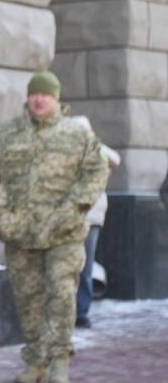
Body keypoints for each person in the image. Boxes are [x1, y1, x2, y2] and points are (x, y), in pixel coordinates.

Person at [0, 71, 108, 383]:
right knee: (27, 298)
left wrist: (75, 207)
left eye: (45, 94)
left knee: (61, 293)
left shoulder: (77, 135)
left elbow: (96, 170)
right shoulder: (6, 134)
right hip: (20, 233)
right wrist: (0, 210)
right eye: (34, 94)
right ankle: (35, 359)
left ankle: (59, 358)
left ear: (56, 98)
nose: (39, 99)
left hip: (64, 231)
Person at [68, 115, 120, 329]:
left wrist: (93, 143)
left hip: (92, 219)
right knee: (68, 266)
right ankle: (66, 312)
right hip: (70, 219)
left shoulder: (99, 153)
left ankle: (81, 312)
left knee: (85, 268)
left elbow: (116, 159)